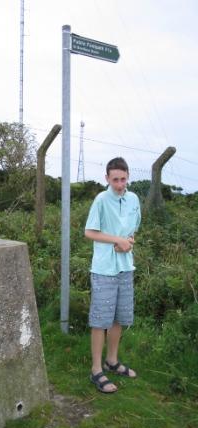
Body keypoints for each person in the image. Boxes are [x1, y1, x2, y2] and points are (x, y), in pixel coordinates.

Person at [84, 157, 141, 393]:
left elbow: (134, 229)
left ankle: (112, 360)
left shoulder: (134, 199)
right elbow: (89, 232)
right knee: (100, 320)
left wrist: (127, 241)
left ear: (128, 177)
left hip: (125, 267)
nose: (120, 184)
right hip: (104, 269)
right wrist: (117, 240)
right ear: (107, 178)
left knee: (119, 317)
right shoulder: (101, 199)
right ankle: (97, 370)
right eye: (115, 179)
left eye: (123, 179)